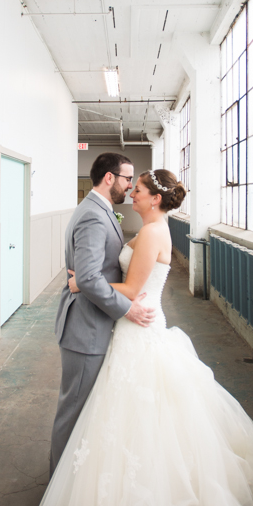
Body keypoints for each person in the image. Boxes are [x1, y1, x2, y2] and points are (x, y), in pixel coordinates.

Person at [34, 168, 253, 506]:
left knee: (142, 418)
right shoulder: (151, 226)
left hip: (140, 328)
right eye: (131, 187)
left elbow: (133, 289)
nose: (132, 193)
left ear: (154, 199)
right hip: (135, 331)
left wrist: (81, 282)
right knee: (132, 418)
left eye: (139, 190)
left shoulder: (153, 234)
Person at [49, 152, 155, 476]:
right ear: (109, 178)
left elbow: (88, 275)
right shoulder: (94, 215)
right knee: (74, 411)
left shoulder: (99, 210)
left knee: (84, 411)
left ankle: (72, 483)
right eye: (127, 179)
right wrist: (128, 309)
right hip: (85, 329)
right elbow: (90, 277)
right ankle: (59, 486)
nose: (130, 187)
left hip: (91, 325)